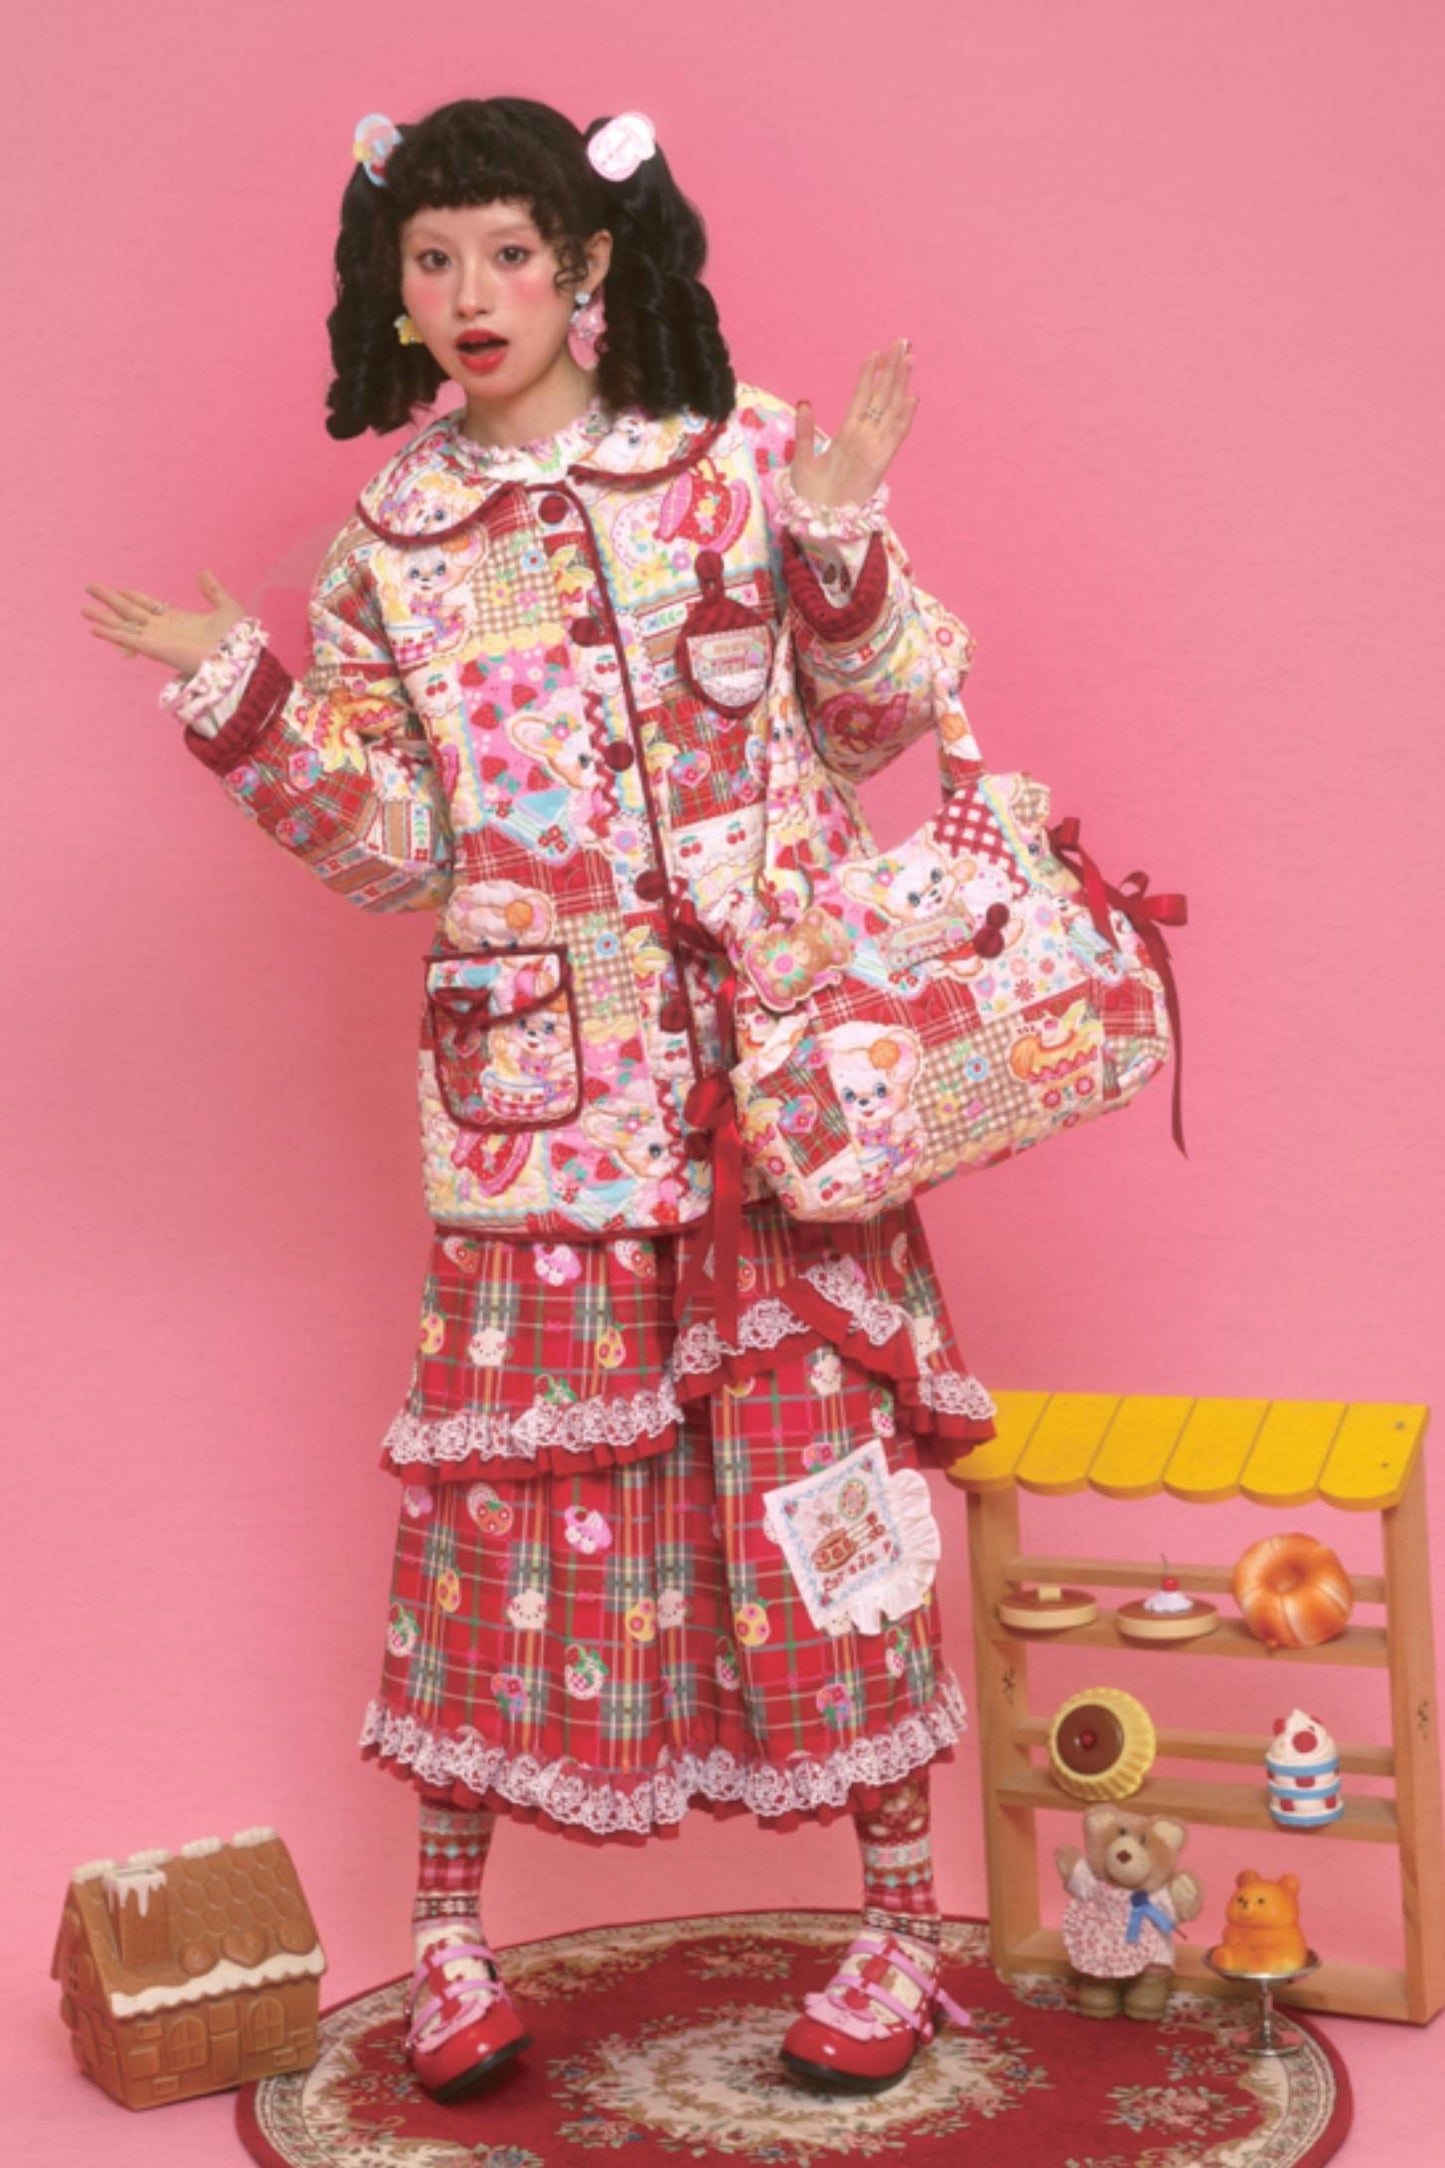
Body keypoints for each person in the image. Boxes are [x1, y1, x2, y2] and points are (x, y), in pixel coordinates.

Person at [83, 95, 996, 2104]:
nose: (468, 292)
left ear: (588, 264)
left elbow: (876, 721)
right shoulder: (391, 546)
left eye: (507, 251)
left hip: (781, 1090)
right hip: (538, 1113)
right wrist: (239, 692)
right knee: (499, 1526)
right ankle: (444, 1946)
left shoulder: (739, 457)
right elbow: (397, 850)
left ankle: (898, 1931)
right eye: (431, 259)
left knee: (823, 1506)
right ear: (391, 287)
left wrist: (837, 532)